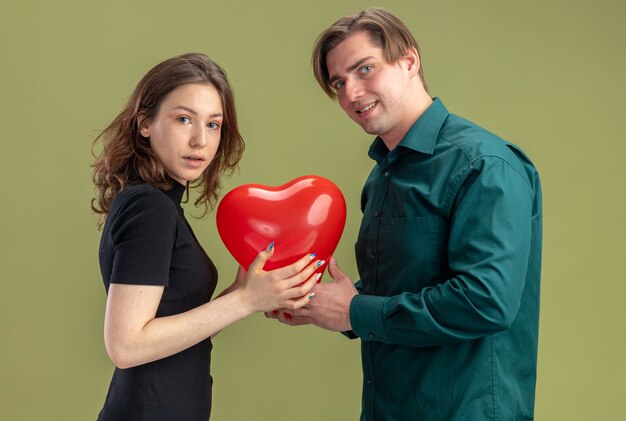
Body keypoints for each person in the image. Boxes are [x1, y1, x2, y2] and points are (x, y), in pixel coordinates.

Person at [268, 8, 543, 420]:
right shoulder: (383, 176)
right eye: (339, 83)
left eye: (365, 70)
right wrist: (321, 304)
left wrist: (354, 311)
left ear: (409, 61)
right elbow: (407, 286)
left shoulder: (484, 164)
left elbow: (486, 301)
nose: (352, 94)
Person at [91, 53, 322, 420]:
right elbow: (126, 344)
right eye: (184, 119)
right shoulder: (149, 208)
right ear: (145, 123)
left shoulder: (157, 203)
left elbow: (171, 320)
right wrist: (244, 301)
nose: (200, 140)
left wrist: (245, 292)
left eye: (213, 125)